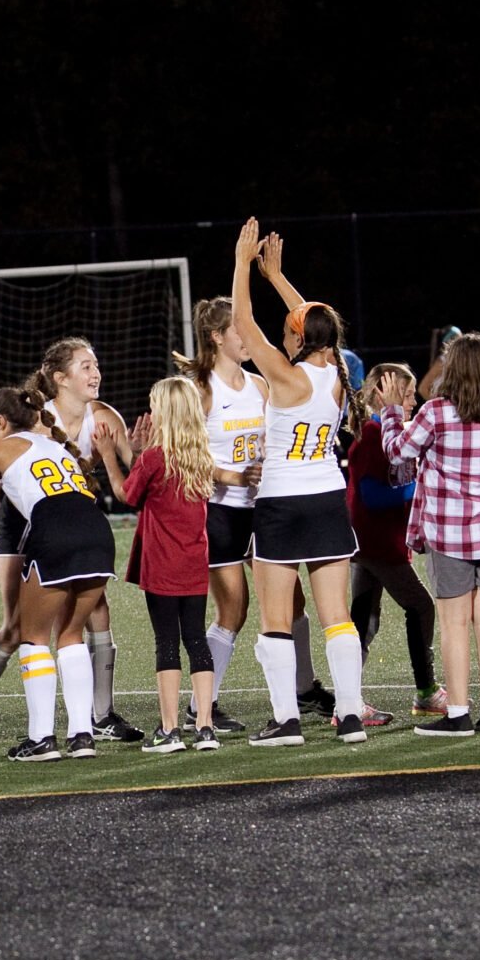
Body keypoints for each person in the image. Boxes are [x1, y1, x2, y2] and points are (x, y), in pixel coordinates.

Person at [229, 219, 368, 746]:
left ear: (294, 336)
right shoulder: (337, 377)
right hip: (328, 499)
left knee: (276, 621)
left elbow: (242, 320)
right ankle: (350, 715)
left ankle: (286, 720)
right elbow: (319, 323)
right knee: (336, 617)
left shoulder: (285, 376)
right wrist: (280, 278)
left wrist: (244, 266)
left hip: (283, 503)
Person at [382, 333, 480, 736]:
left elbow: (397, 451)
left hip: (450, 531)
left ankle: (459, 713)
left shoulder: (439, 412)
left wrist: (391, 411)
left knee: (454, 624)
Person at [0, 386, 117, 761]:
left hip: (54, 533)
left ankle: (41, 739)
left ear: (1, 421)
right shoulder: (56, 443)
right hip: (98, 533)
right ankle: (82, 735)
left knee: (34, 638)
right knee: (70, 635)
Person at [30, 337, 146, 744]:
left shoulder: (105, 417)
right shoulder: (37, 419)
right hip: (35, 528)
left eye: (96, 365)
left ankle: (99, 713)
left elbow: (135, 482)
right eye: (85, 366)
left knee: (97, 610)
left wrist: (141, 452)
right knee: (23, 626)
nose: (95, 373)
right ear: (60, 378)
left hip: (81, 526)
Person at [107, 376, 220, 752]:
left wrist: (111, 455)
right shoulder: (202, 455)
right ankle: (205, 727)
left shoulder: (156, 457)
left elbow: (128, 494)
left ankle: (170, 730)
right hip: (194, 563)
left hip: (162, 566)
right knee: (197, 640)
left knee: (167, 643)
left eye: (155, 406)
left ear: (166, 413)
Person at [172, 295, 264, 734]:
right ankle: (199, 707)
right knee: (234, 610)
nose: (250, 337)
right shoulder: (201, 390)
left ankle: (304, 692)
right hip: (218, 511)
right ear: (217, 337)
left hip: (260, 511)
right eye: (240, 330)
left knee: (293, 605)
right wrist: (234, 475)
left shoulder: (260, 384)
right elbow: (181, 453)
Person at [347, 363, 443, 721]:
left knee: (363, 622)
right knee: (421, 606)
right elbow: (373, 496)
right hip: (377, 544)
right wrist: (420, 488)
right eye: (405, 394)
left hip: (378, 542)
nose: (412, 400)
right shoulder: (371, 436)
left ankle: (348, 702)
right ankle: (426, 691)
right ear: (380, 395)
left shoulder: (393, 434)